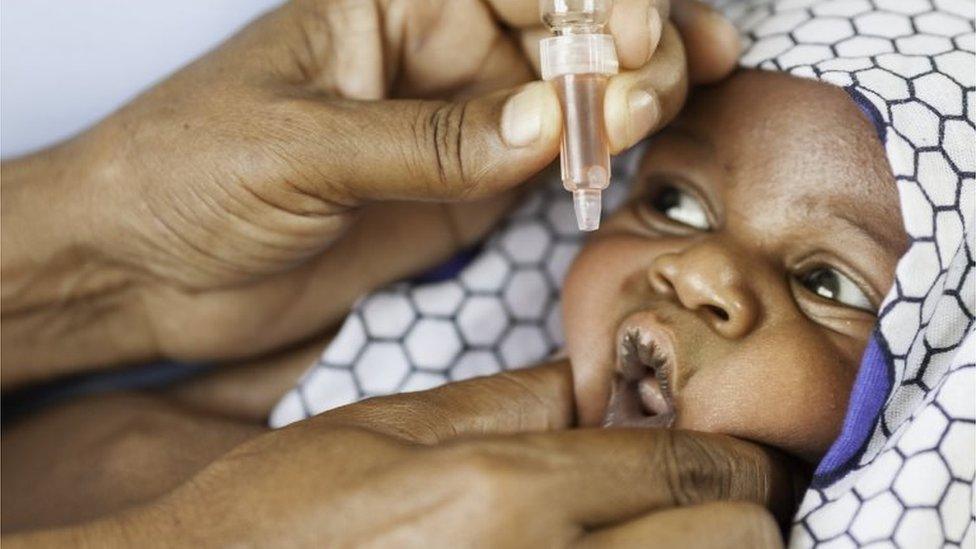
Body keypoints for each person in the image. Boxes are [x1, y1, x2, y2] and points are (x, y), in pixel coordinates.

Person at [1, 0, 794, 546]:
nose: (698, 273)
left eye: (828, 286)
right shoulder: (307, 416)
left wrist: (98, 278)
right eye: (674, 203)